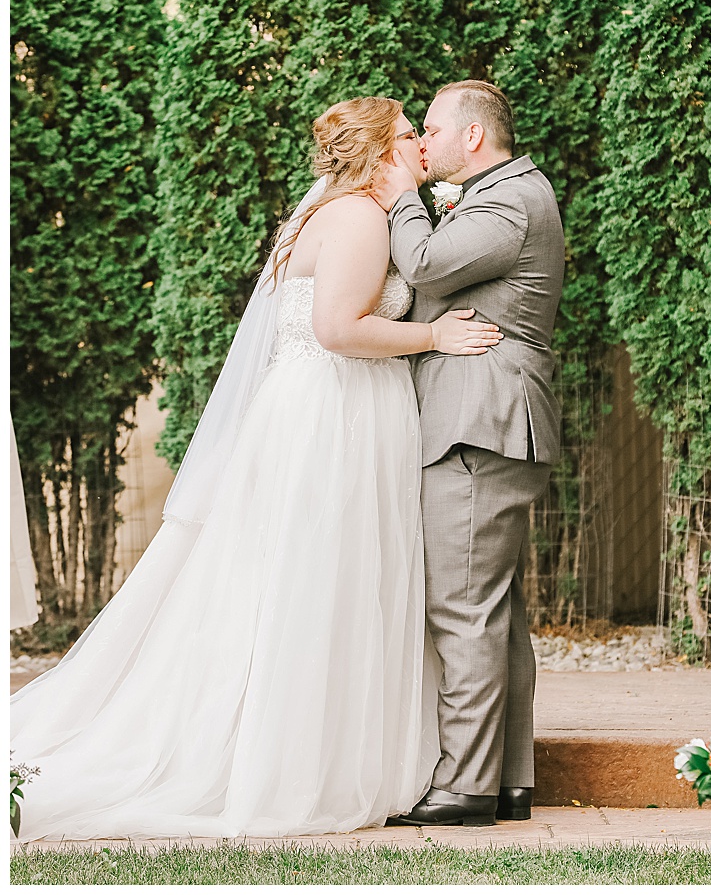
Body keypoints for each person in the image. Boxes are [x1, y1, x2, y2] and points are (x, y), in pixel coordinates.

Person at [10, 97, 501, 840]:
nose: (420, 144)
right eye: (409, 133)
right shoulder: (362, 219)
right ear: (379, 150)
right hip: (337, 414)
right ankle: (298, 761)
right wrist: (434, 332)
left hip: (317, 410)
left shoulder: (328, 213)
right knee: (322, 580)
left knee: (298, 581)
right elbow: (337, 328)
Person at [375, 80, 565, 827]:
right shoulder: (503, 192)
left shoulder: (508, 199)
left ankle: (464, 786)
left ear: (474, 137)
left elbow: (422, 264)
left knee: (462, 608)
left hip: (478, 422)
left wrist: (397, 197)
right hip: (489, 421)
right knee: (494, 608)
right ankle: (507, 778)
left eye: (431, 128)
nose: (422, 143)